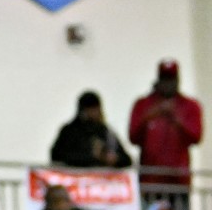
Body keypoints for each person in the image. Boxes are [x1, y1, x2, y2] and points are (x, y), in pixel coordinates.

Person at [129, 60, 202, 188]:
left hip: (179, 181)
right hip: (150, 181)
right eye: (165, 79)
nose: (168, 84)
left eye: (171, 79)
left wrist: (176, 118)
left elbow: (196, 136)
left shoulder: (190, 105)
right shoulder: (143, 104)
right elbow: (133, 137)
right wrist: (151, 114)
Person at [50, 91, 131, 168]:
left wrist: (114, 159)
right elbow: (57, 156)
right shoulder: (69, 132)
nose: (96, 113)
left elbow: (127, 160)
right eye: (92, 109)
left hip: (101, 180)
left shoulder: (105, 132)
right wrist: (91, 157)